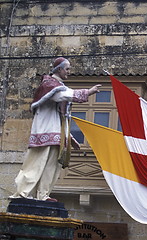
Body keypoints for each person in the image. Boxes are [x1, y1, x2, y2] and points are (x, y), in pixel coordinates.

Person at [10, 57, 101, 202]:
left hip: (56, 134)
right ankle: (23, 193)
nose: (69, 72)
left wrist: (69, 138)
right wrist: (88, 92)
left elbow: (62, 118)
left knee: (52, 166)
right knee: (36, 163)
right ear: (59, 69)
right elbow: (62, 95)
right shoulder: (49, 85)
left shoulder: (58, 85)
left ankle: (43, 195)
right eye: (67, 69)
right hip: (44, 131)